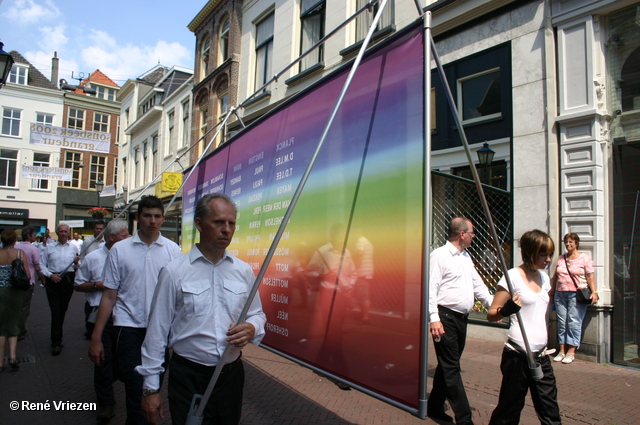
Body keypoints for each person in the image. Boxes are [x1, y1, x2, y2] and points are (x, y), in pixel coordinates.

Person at [137, 193, 266, 425]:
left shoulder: (243, 271)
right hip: (188, 376)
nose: (226, 229)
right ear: (199, 224)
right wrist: (150, 389)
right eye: (218, 222)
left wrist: (252, 327)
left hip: (231, 376)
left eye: (231, 223)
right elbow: (156, 332)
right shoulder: (174, 271)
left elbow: (257, 313)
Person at [90, 196, 181, 425]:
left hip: (160, 332)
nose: (152, 221)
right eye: (148, 216)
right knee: (134, 390)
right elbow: (109, 295)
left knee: (153, 389)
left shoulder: (173, 251)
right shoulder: (120, 250)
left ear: (163, 218)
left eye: (157, 216)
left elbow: (179, 297)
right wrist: (96, 337)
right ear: (137, 217)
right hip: (128, 329)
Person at [487, 229, 560, 425]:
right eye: (543, 254)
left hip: (541, 355)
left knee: (550, 411)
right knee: (509, 411)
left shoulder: (544, 278)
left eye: (550, 254)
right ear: (529, 253)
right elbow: (491, 315)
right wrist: (506, 310)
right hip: (517, 355)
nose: (548, 259)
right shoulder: (512, 277)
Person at [427, 217, 493, 424]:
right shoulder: (439, 256)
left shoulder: (466, 257)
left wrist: (494, 307)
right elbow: (431, 288)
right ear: (462, 234)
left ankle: (434, 407)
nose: (474, 236)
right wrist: (434, 318)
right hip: (445, 317)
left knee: (448, 365)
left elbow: (479, 286)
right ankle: (465, 419)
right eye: (472, 232)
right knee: (452, 368)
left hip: (461, 319)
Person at [75, 219, 129, 423]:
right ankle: (106, 403)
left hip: (123, 315)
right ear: (113, 237)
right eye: (125, 235)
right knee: (102, 360)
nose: (128, 239)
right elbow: (78, 285)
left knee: (121, 359)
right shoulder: (93, 258)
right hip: (99, 314)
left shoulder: (128, 256)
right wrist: (97, 285)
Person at [550, 233, 598, 364]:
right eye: (566, 242)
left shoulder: (584, 258)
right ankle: (561, 350)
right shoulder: (561, 258)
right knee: (562, 322)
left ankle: (571, 351)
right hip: (560, 294)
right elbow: (555, 276)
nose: (568, 244)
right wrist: (552, 291)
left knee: (573, 322)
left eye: (570, 242)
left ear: (576, 243)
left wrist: (594, 291)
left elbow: (590, 277)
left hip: (576, 294)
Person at [40, 223, 80, 355]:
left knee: (62, 310)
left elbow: (77, 266)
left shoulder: (73, 247)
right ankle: (56, 342)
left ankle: (58, 334)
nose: (63, 234)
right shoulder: (49, 248)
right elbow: (42, 264)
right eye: (61, 231)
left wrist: (76, 263)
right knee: (55, 311)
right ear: (57, 233)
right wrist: (50, 275)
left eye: (65, 231)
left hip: (67, 280)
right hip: (53, 280)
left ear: (68, 233)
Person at [0, 229, 31, 372]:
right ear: (14, 241)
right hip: (14, 292)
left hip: (1, 291)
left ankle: (0, 361)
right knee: (13, 322)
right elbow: (28, 275)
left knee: (1, 325)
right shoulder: (19, 254)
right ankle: (12, 356)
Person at [15, 227, 41, 340]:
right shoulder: (33, 249)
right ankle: (19, 329)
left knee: (15, 305)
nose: (35, 236)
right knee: (24, 307)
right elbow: (37, 266)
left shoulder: (15, 246)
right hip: (27, 281)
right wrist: (43, 279)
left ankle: (13, 327)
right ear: (29, 236)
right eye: (34, 234)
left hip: (15, 280)